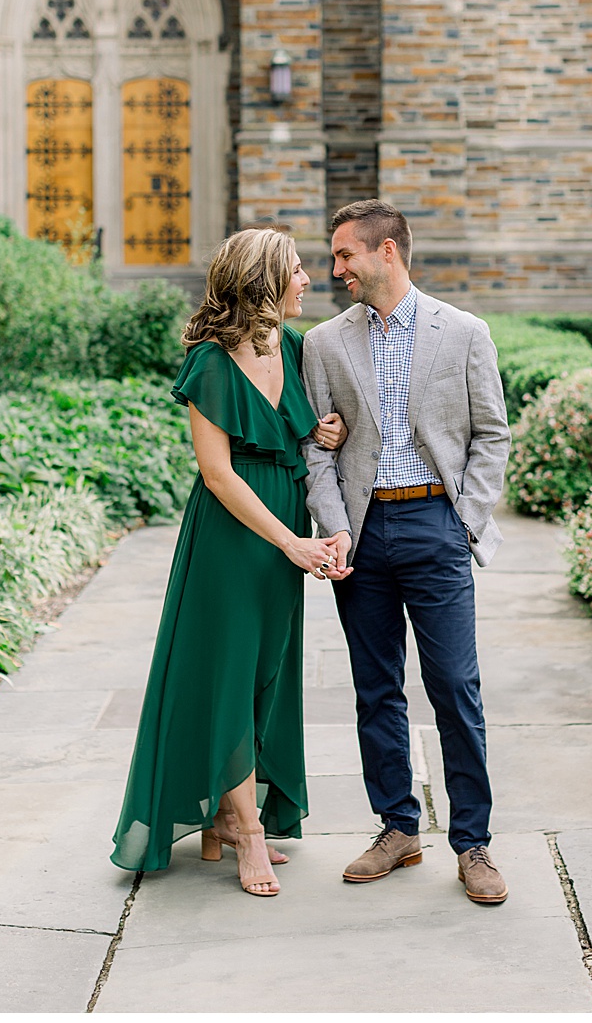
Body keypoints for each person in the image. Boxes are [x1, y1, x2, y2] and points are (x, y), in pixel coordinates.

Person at [112, 228, 348, 896]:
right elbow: (217, 474)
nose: (307, 279)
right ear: (263, 281)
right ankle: (246, 831)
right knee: (228, 676)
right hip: (232, 535)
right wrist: (291, 543)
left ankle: (224, 815)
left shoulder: (294, 347)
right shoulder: (210, 363)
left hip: (285, 524)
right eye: (296, 269)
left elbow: (299, 430)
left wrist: (323, 430)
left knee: (266, 673)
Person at [300, 200, 512, 904]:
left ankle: (473, 842)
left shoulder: (465, 333)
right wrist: (335, 528)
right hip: (361, 533)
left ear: (386, 251)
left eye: (345, 254)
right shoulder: (323, 343)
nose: (336, 268)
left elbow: (491, 434)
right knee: (376, 688)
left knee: (454, 686)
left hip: (435, 524)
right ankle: (397, 827)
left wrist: (465, 519)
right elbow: (316, 447)